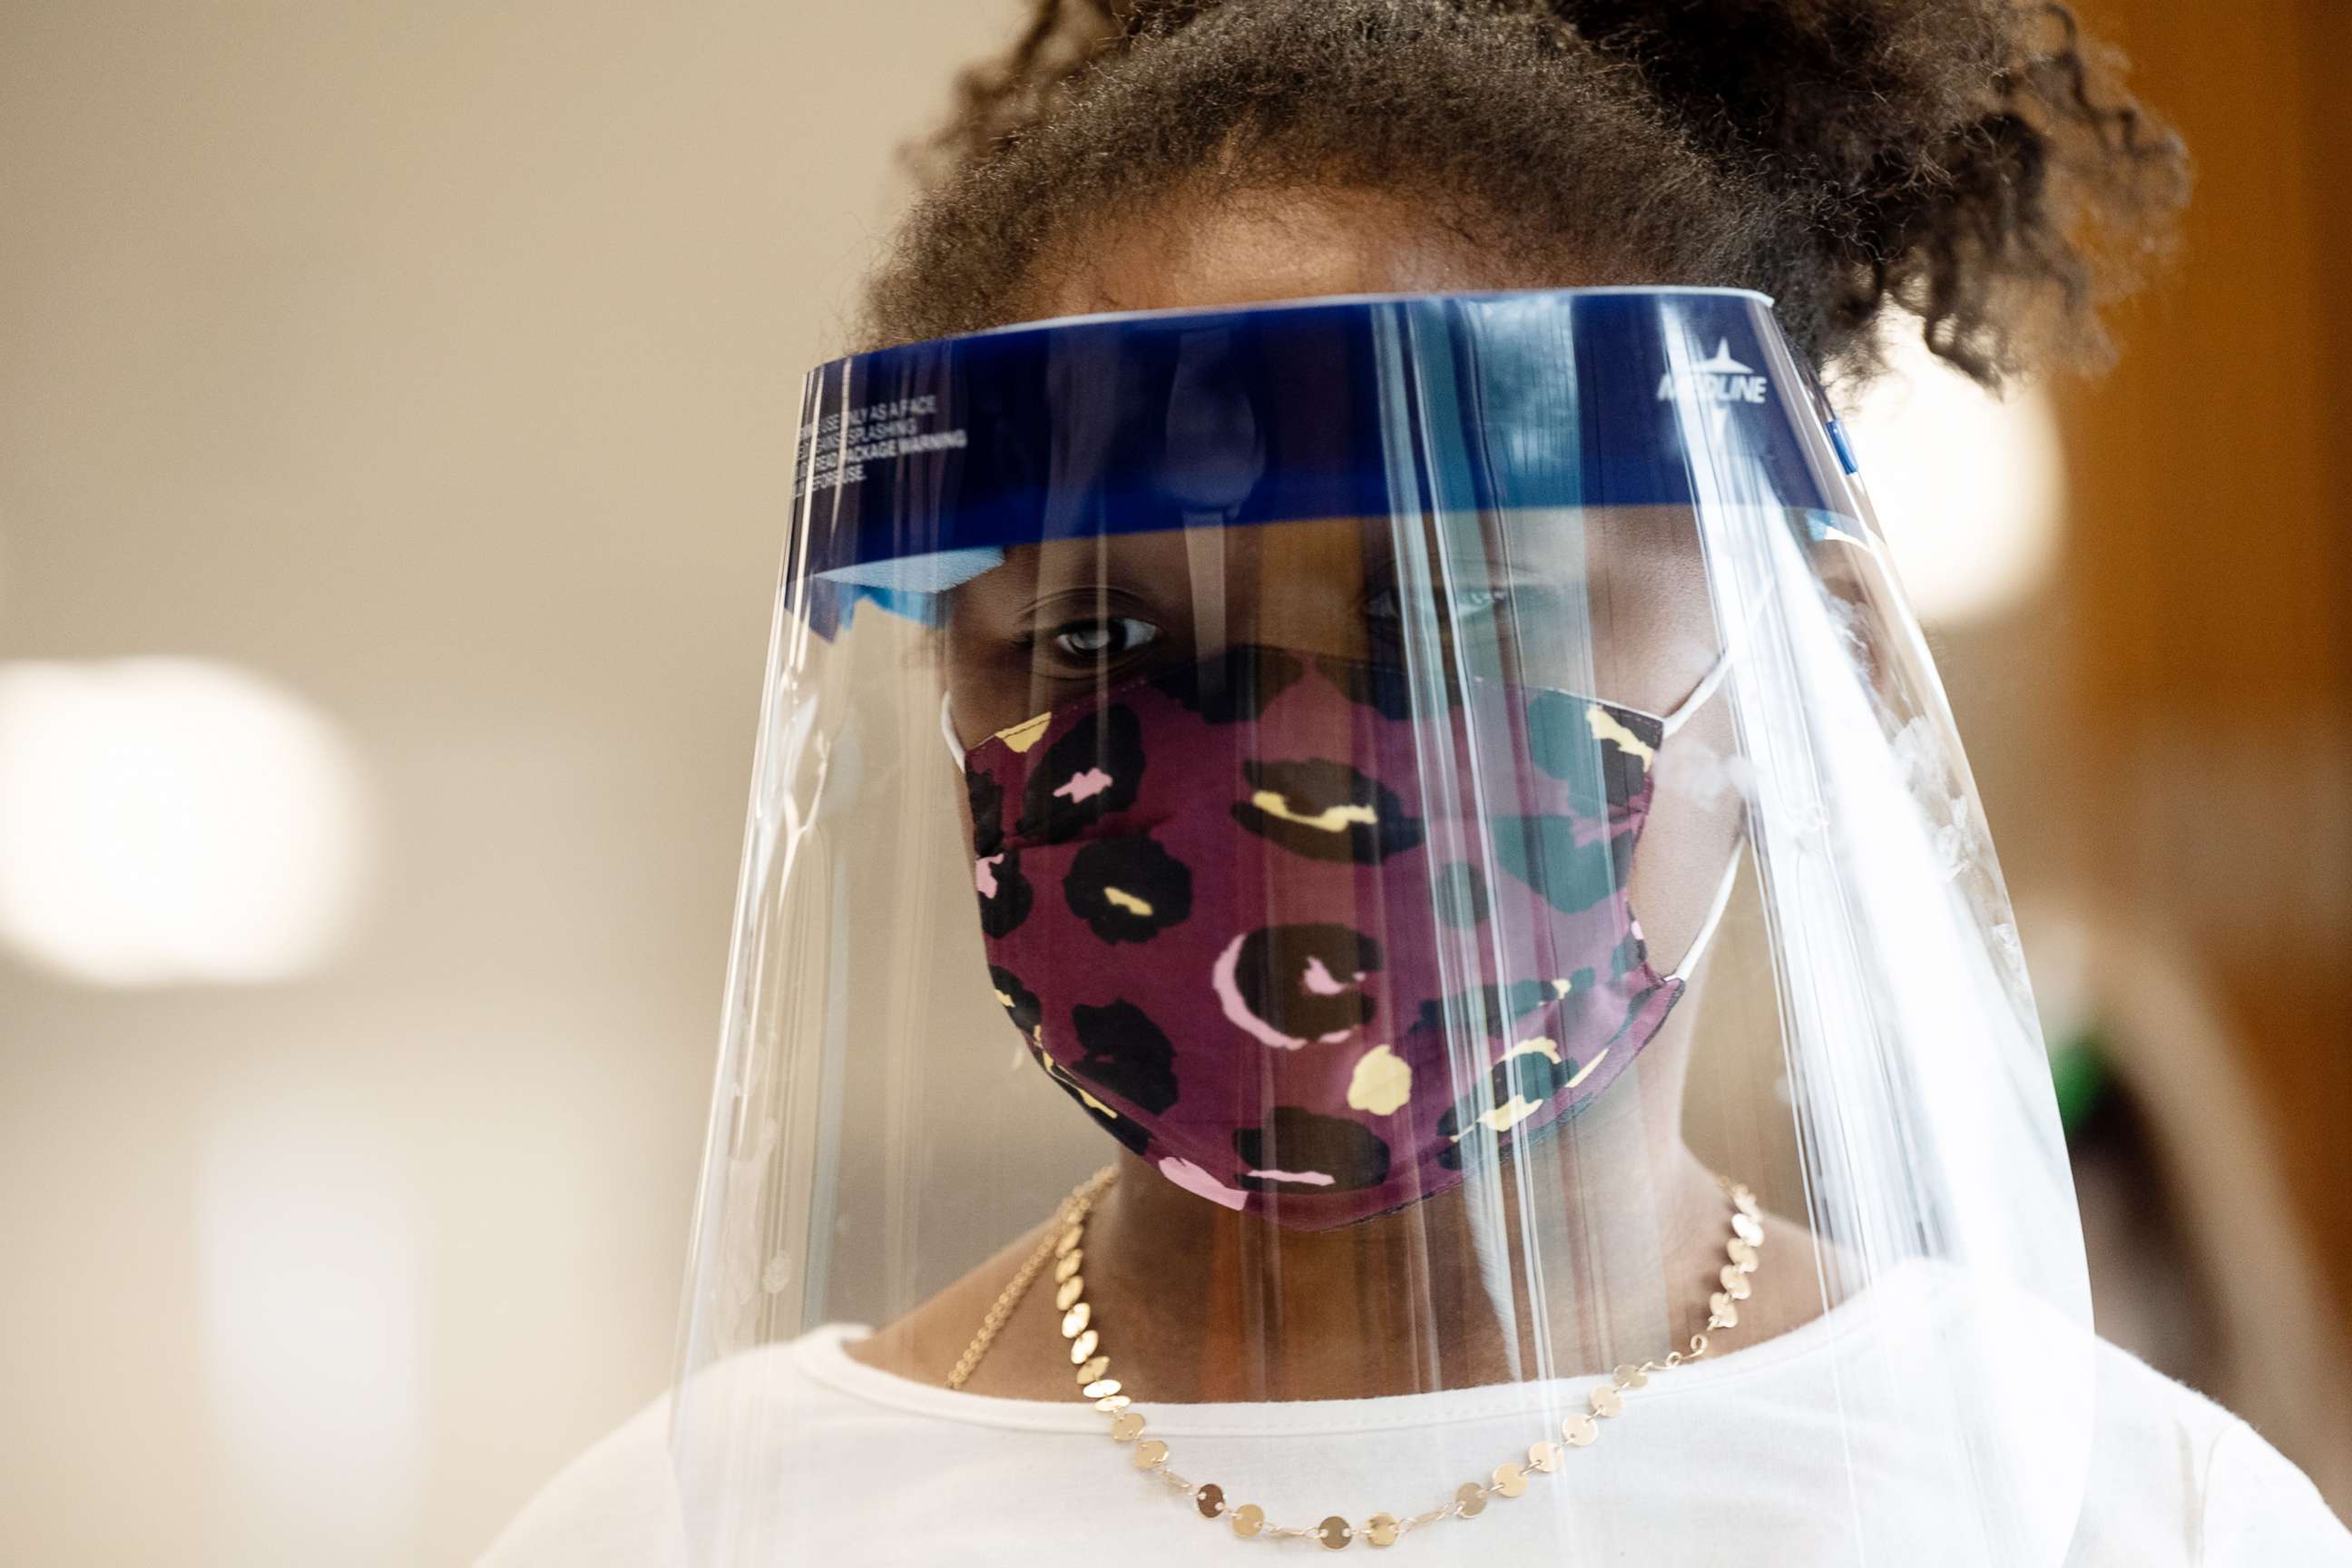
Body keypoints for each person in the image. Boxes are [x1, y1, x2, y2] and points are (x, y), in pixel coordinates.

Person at [484, 3, 2350, 1563]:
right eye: (1098, 646)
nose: (1290, 773)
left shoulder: (2114, 1518)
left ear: (1818, 673)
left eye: (1454, 617)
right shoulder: (684, 1528)